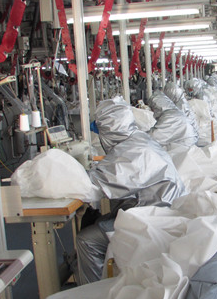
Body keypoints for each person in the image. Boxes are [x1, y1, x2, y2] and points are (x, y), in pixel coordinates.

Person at [73, 97, 186, 285]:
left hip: (153, 221)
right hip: (162, 211)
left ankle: (94, 294)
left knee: (86, 240)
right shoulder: (138, 140)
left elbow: (94, 185)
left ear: (108, 131)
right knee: (98, 221)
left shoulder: (133, 152)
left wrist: (64, 174)